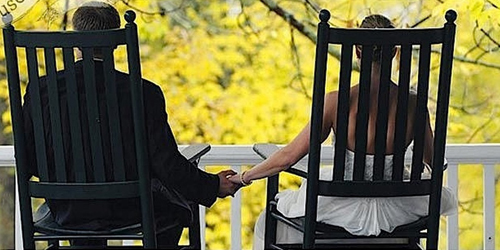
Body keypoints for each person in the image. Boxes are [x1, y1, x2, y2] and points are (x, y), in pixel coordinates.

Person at [229, 14, 457, 249]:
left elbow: (288, 157)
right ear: (395, 52)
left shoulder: (335, 103)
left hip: (339, 207)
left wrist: (243, 177)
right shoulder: (415, 105)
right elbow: (435, 163)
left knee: (271, 218)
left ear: (358, 52)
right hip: (397, 209)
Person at [22, 2, 239, 248]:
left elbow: (29, 160)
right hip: (129, 208)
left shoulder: (41, 91)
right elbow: (166, 163)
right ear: (116, 42)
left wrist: (74, 180)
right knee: (178, 207)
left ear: (74, 41)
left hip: (67, 211)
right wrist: (212, 185)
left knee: (85, 219)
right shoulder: (144, 92)